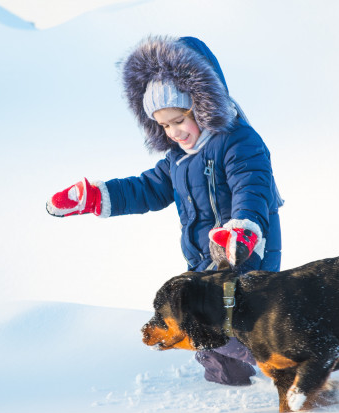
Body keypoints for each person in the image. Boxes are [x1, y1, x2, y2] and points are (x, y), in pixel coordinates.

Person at [46, 35, 283, 386]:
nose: (173, 132)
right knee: (204, 331)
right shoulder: (178, 159)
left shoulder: (237, 142)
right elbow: (148, 188)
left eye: (179, 120)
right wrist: (97, 196)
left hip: (243, 253)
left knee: (226, 327)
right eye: (164, 125)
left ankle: (288, 362)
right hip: (205, 260)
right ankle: (231, 386)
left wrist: (242, 230)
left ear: (202, 105)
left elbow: (253, 187)